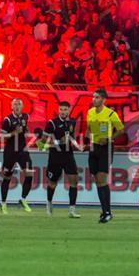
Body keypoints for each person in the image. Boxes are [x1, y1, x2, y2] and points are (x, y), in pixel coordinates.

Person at [86, 89, 124, 223]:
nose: (94, 99)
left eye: (96, 97)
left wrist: (108, 139)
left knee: (102, 179)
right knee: (98, 180)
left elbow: (121, 130)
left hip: (105, 148)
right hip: (94, 147)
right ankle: (104, 211)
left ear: (103, 99)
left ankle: (108, 212)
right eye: (93, 97)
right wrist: (87, 139)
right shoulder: (90, 112)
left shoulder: (111, 114)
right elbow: (89, 129)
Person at [42, 101, 82, 218]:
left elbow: (71, 136)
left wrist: (77, 145)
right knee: (52, 183)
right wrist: (59, 142)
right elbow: (43, 141)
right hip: (55, 156)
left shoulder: (72, 122)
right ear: (58, 110)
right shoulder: (52, 123)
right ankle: (49, 202)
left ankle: (72, 210)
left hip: (68, 155)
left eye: (65, 110)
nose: (63, 112)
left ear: (69, 110)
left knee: (74, 181)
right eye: (61, 109)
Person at [0, 98, 33, 214]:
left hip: (22, 150)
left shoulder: (26, 117)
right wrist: (14, 133)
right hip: (10, 152)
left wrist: (26, 130)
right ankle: (3, 203)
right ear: (12, 107)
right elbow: (1, 136)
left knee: (29, 174)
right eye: (15, 104)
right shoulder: (8, 120)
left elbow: (25, 129)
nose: (17, 106)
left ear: (22, 106)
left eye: (19, 104)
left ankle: (23, 199)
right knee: (7, 177)